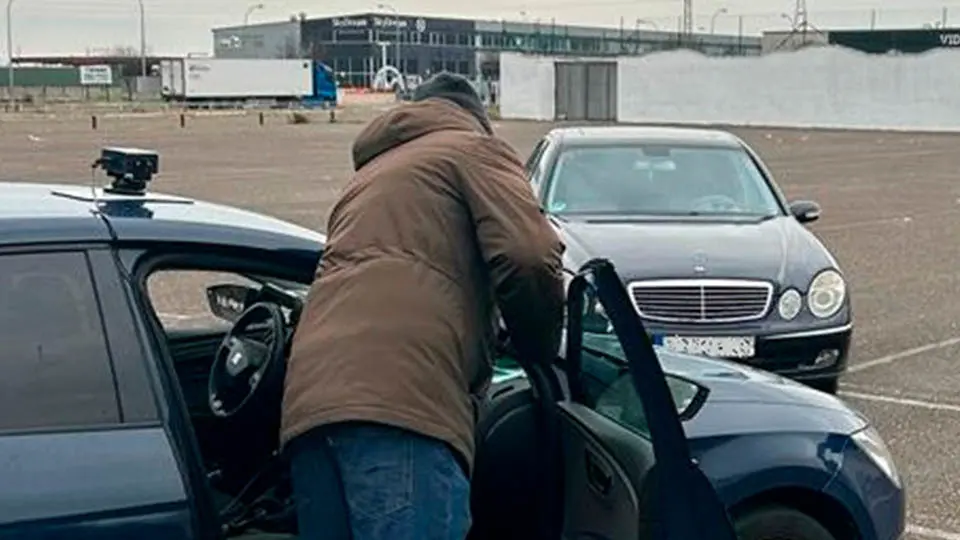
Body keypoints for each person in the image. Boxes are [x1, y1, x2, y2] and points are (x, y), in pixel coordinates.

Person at [280, 72, 566, 540]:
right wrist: (539, 346)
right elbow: (529, 256)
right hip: (400, 404)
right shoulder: (472, 147)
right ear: (475, 119)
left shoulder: (371, 175)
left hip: (311, 409)